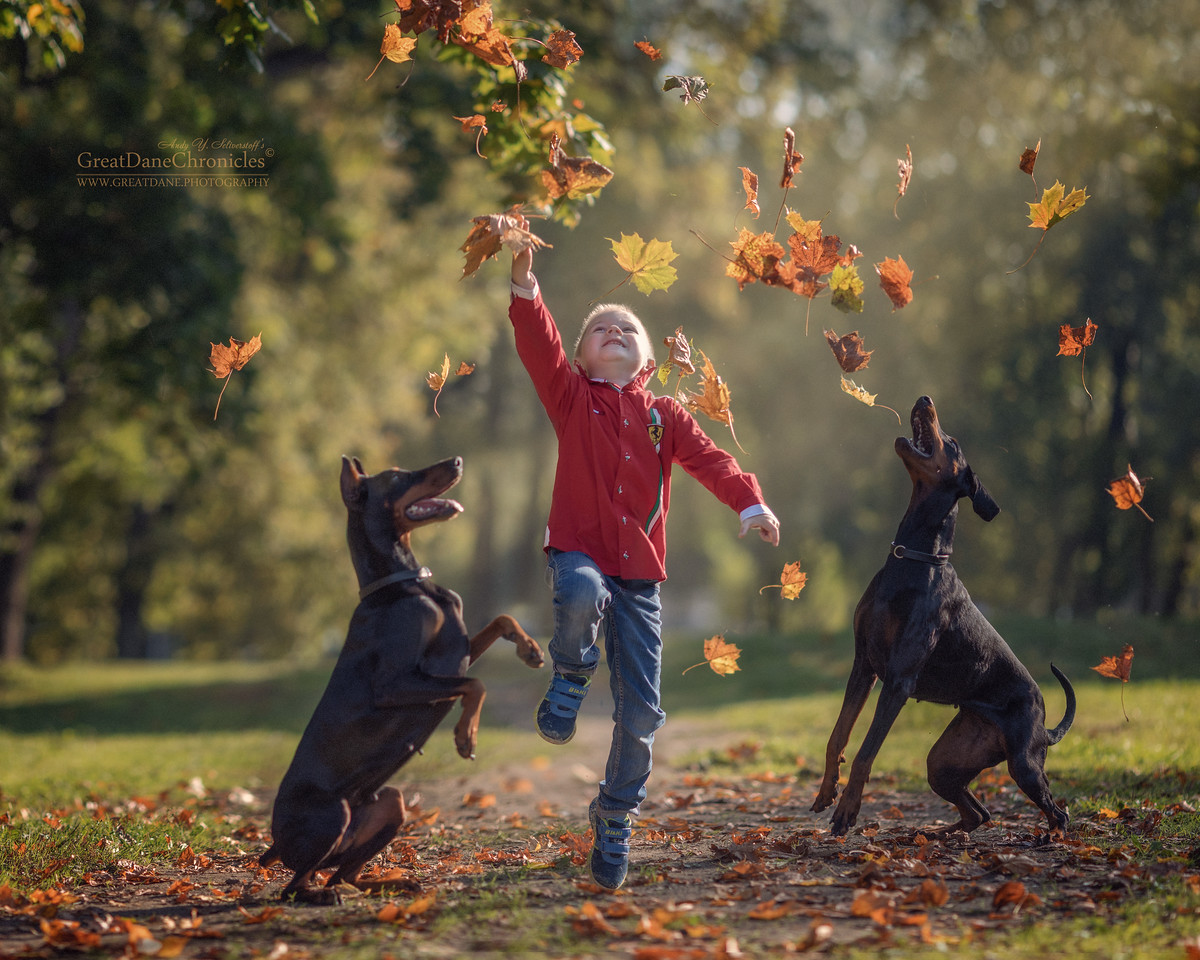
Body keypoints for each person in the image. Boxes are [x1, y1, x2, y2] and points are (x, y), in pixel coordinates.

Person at [508, 239, 780, 890]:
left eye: (626, 328)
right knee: (578, 593)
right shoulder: (571, 398)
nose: (613, 332)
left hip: (641, 582)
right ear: (579, 356)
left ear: (649, 360)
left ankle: (615, 813)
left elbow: (714, 461)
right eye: (599, 329)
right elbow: (537, 342)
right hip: (580, 551)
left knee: (643, 715)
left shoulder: (666, 416)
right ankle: (571, 675)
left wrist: (750, 505)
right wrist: (524, 282)